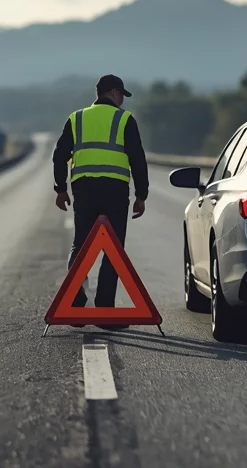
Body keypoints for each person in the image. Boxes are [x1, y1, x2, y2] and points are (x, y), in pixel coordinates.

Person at [53, 74, 149, 330]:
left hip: (84, 190)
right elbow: (137, 159)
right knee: (113, 248)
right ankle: (105, 311)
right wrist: (141, 195)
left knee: (81, 245)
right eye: (122, 95)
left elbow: (59, 155)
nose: (122, 101)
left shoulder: (76, 118)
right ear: (114, 92)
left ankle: (75, 306)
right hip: (115, 191)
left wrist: (61, 189)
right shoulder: (124, 119)